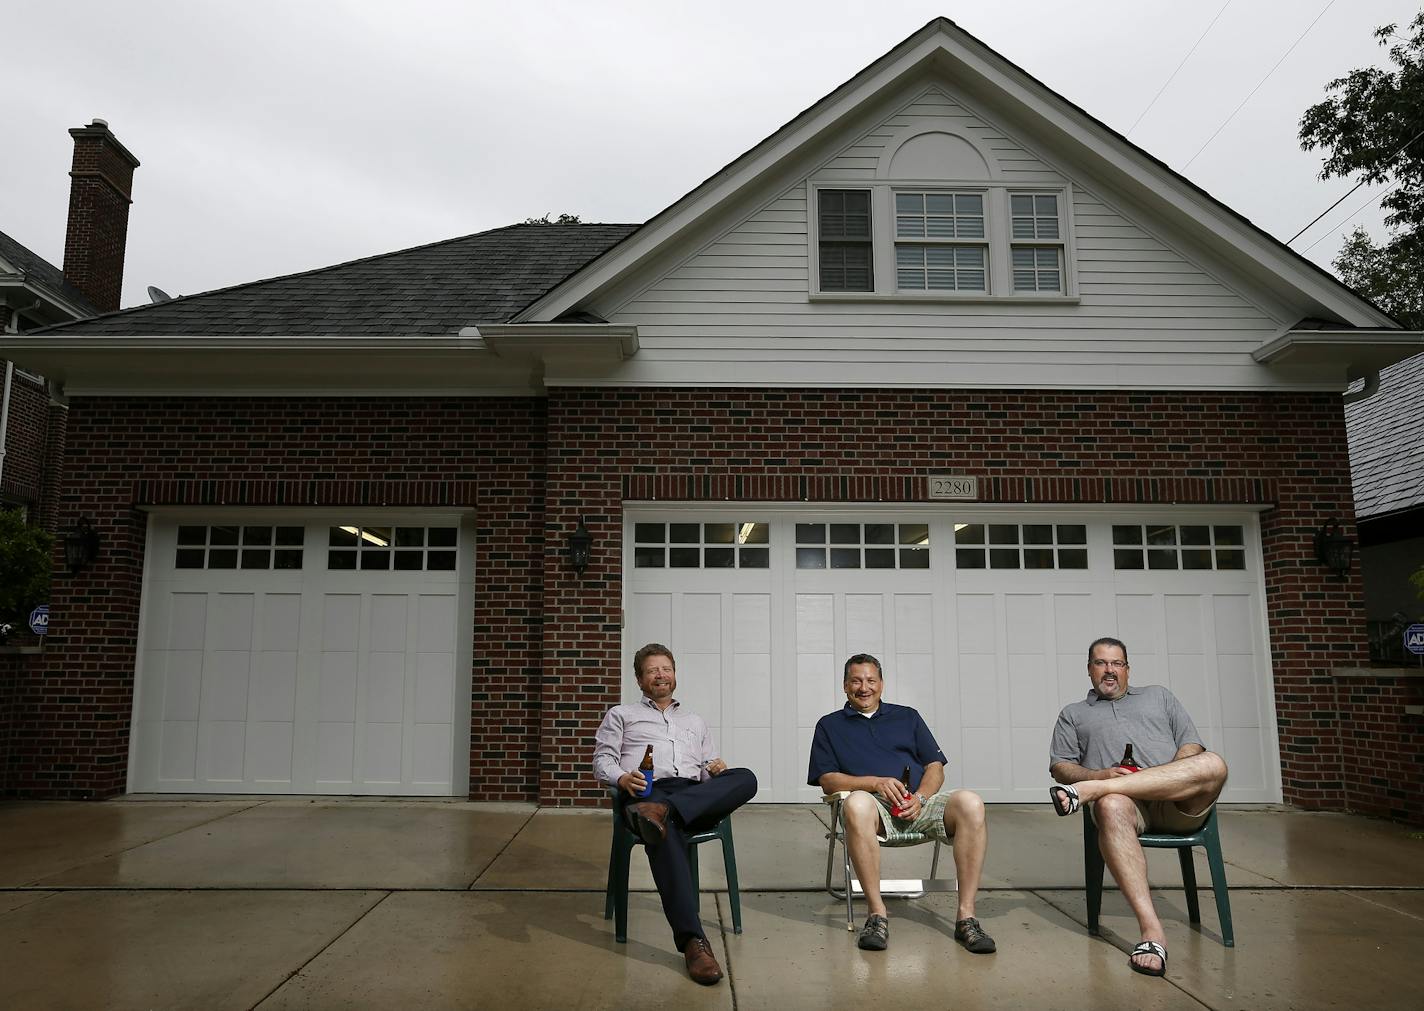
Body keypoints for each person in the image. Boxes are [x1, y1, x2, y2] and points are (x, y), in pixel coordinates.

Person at [1048, 636, 1229, 978]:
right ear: (1089, 670)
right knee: (1111, 804)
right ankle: (1152, 933)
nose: (1109, 670)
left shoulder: (1158, 696)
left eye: (1117, 663)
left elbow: (1191, 744)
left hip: (1179, 803)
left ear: (1128, 669)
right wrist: (1099, 773)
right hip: (1132, 811)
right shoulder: (1073, 714)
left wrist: (1165, 777)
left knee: (1214, 763)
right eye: (1101, 663)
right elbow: (1060, 767)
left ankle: (1091, 791)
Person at [807, 653, 995, 955]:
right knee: (856, 804)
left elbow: (935, 766)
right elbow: (828, 780)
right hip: (873, 808)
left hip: (918, 803)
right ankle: (876, 915)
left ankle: (967, 917)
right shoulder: (829, 725)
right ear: (844, 686)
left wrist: (920, 798)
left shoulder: (907, 716)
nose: (864, 687)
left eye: (870, 680)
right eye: (856, 681)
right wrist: (874, 783)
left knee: (971, 802)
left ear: (881, 684)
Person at [592, 642, 757, 985]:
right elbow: (601, 761)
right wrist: (623, 778)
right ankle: (693, 943)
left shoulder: (694, 721)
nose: (660, 675)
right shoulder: (621, 715)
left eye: (666, 668)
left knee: (745, 777)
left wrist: (716, 771)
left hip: (688, 796)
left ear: (675, 675)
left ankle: (665, 812)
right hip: (644, 792)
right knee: (661, 831)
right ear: (640, 680)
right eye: (652, 670)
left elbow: (706, 770)